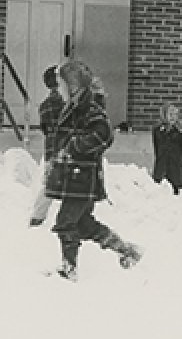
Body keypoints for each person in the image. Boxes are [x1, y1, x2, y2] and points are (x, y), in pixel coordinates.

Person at [46, 59, 143, 281]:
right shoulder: (73, 106)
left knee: (65, 222)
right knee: (83, 224)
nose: (58, 90)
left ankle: (69, 269)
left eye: (61, 85)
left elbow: (104, 134)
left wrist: (74, 146)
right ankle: (127, 251)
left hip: (81, 177)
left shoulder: (89, 108)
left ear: (73, 86)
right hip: (75, 175)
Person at [29, 65, 65, 227]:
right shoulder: (65, 102)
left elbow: (45, 128)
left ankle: (37, 217)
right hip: (66, 148)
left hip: (52, 148)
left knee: (49, 184)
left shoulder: (45, 105)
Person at [152, 103, 182, 195]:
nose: (173, 117)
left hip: (176, 170)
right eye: (170, 114)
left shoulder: (181, 131)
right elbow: (157, 149)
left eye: (175, 114)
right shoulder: (158, 130)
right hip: (161, 170)